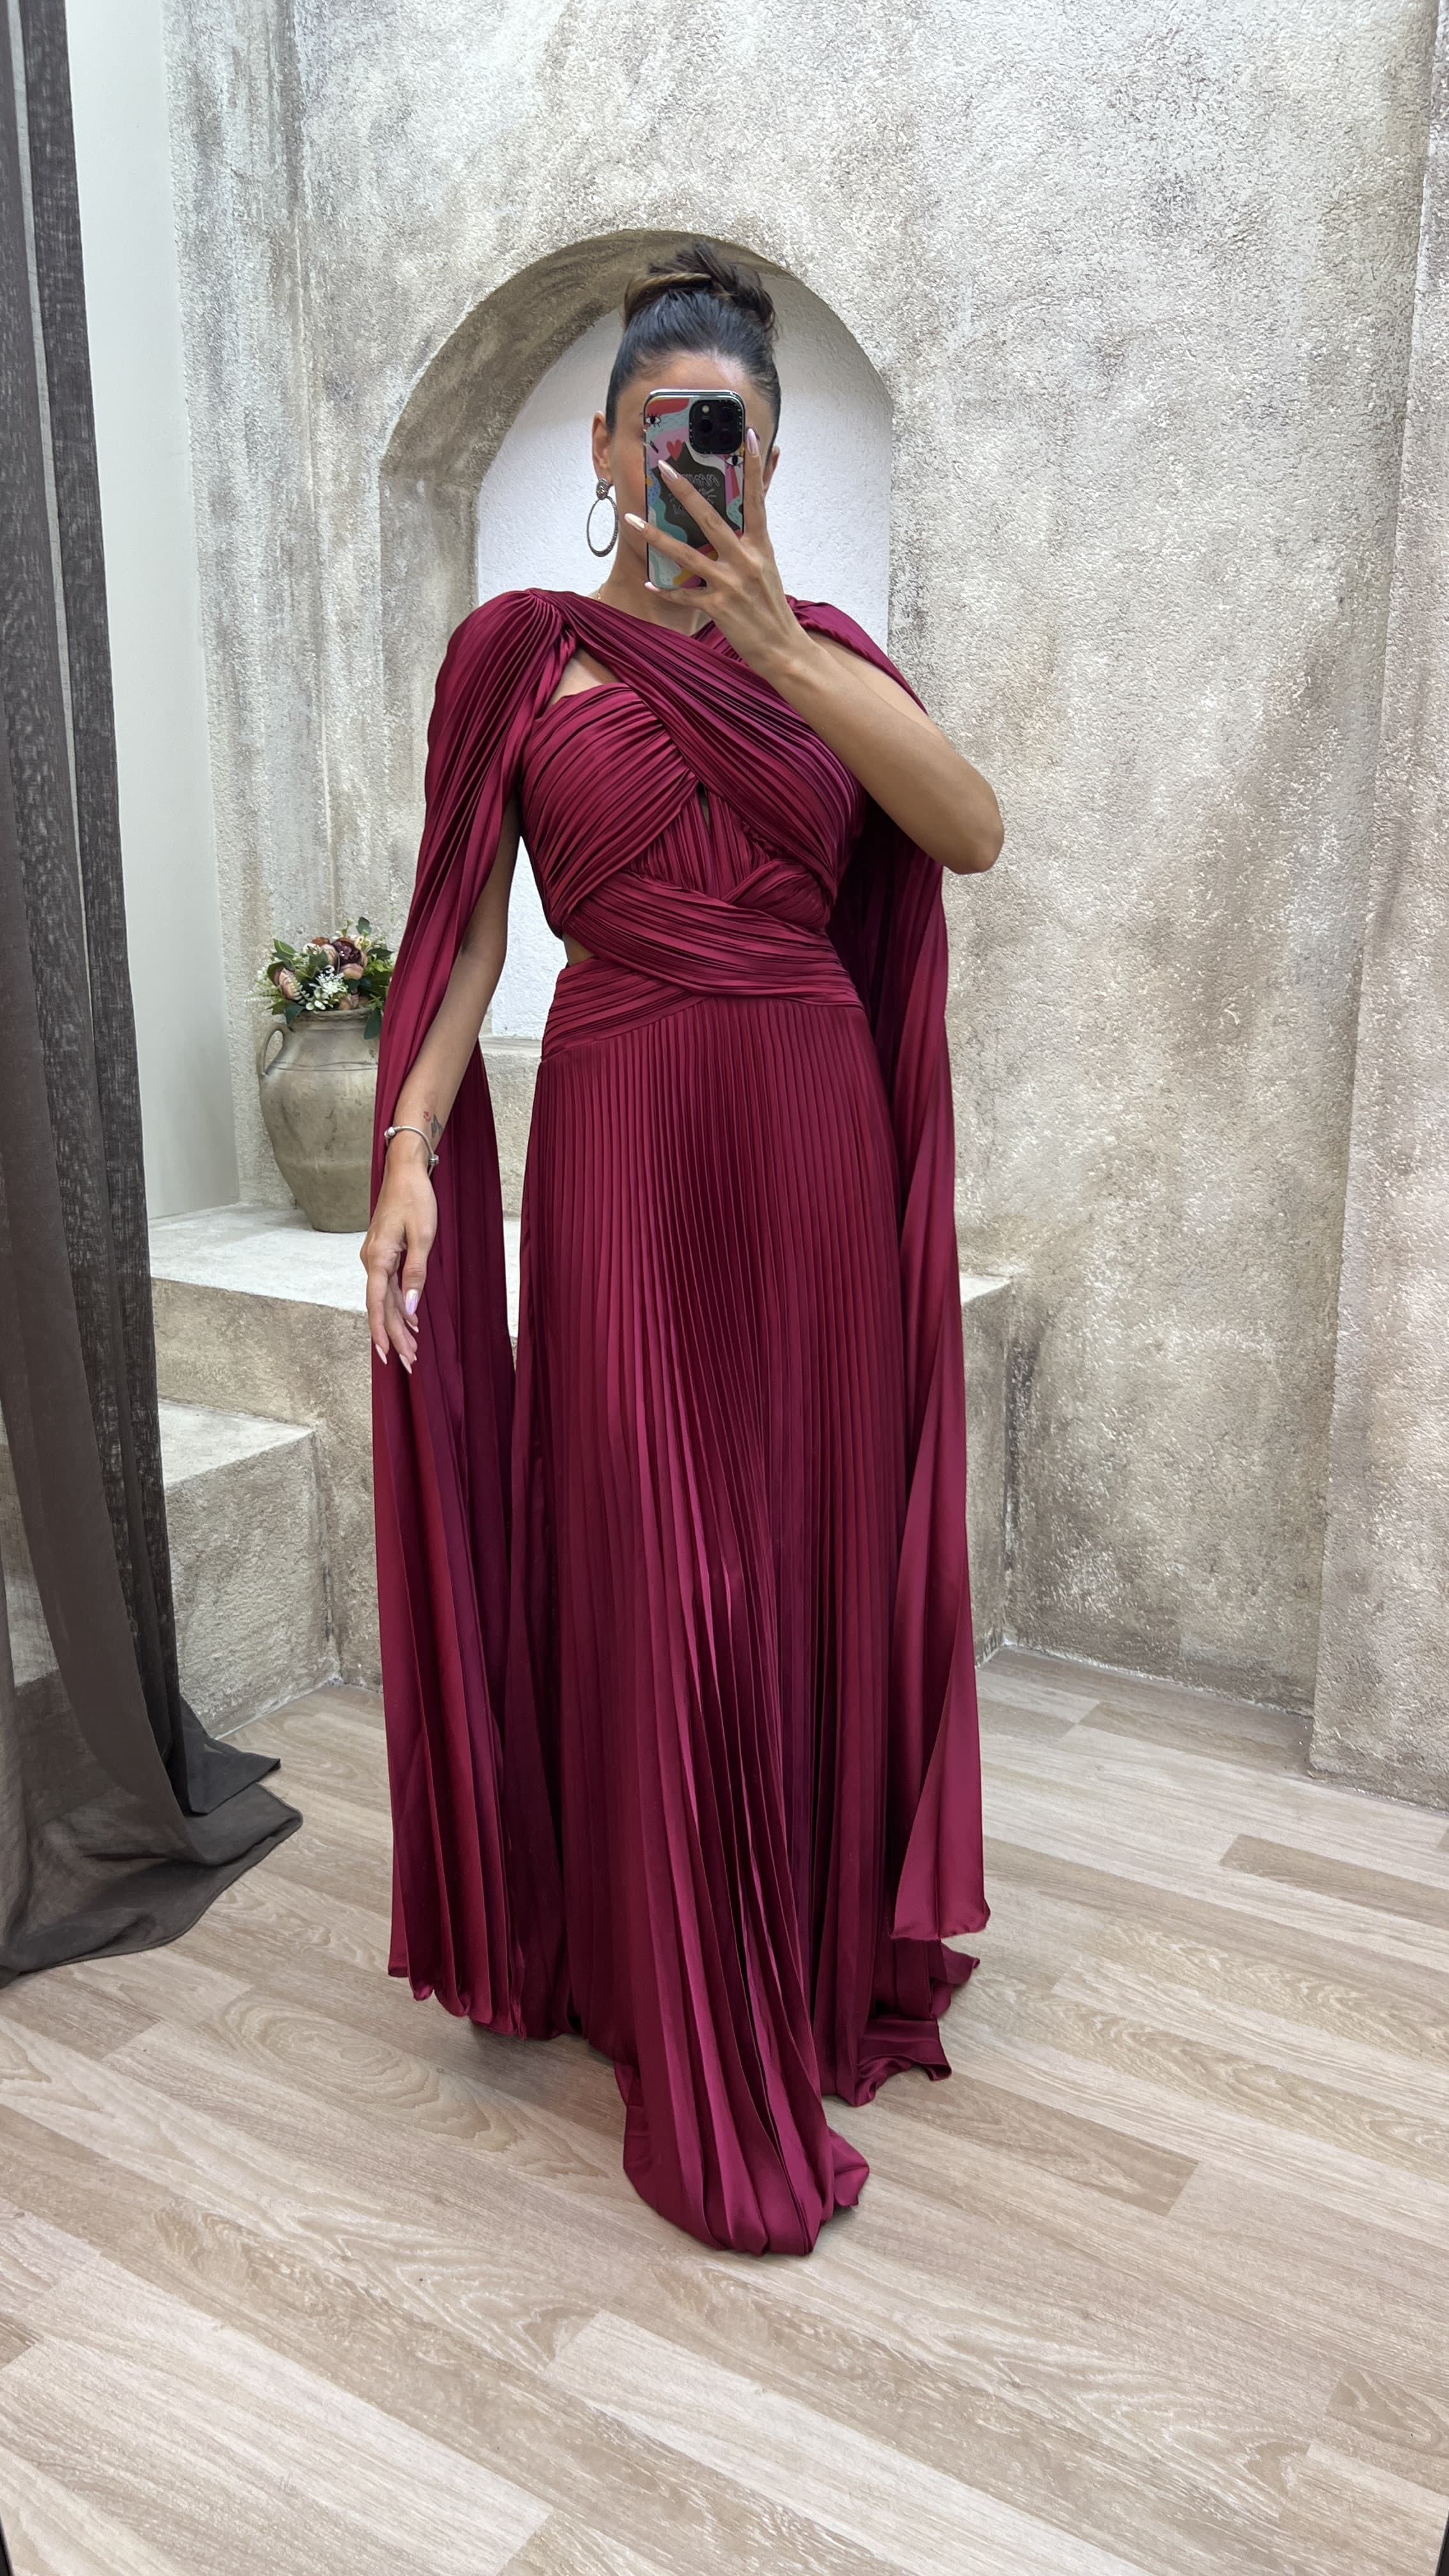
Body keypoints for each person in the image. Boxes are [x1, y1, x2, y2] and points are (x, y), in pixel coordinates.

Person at [362, 242, 1004, 2256]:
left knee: (790, 1542)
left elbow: (968, 830)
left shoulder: (830, 655)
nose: (692, 462)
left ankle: (788, 1959)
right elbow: (468, 928)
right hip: (621, 1127)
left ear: (773, 461)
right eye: (662, 431)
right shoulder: (516, 657)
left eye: (727, 436)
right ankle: (671, 1980)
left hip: (806, 1135)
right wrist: (408, 1147)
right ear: (601, 445)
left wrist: (780, 649)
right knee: (656, 1549)